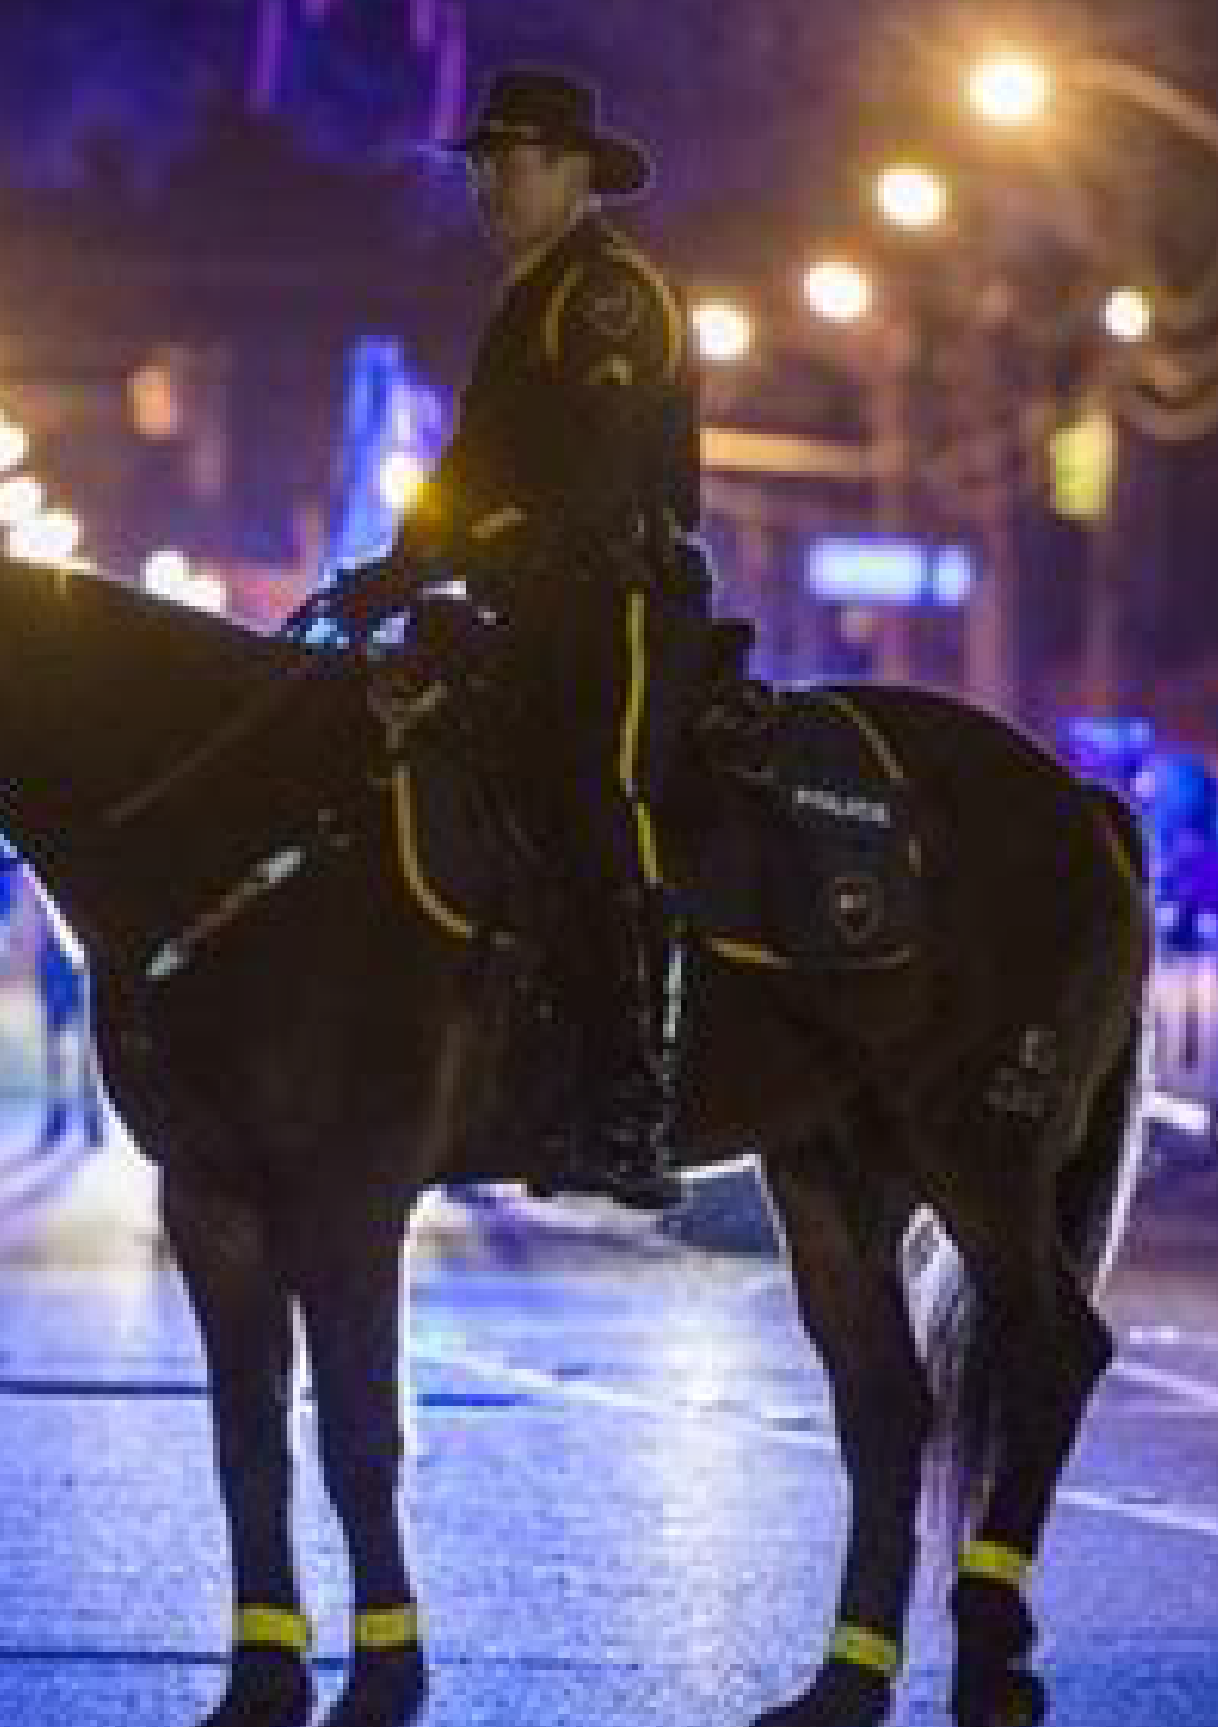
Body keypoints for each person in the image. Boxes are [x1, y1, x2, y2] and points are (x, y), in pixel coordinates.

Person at [314, 67, 705, 1209]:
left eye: (516, 159)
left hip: (613, 606)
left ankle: (633, 1100)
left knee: (593, 801)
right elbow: (468, 475)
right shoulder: (524, 298)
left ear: (577, 170)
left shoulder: (605, 298)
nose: (492, 182)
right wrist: (394, 567)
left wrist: (446, 556)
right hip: (523, 604)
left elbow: (586, 477)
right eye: (482, 163)